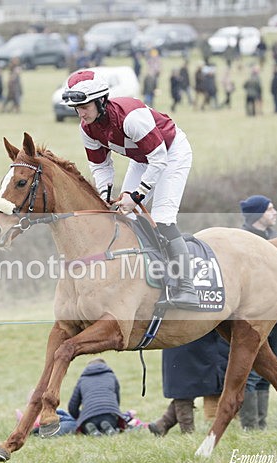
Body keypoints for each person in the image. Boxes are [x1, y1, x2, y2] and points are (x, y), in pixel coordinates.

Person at [61, 70, 201, 309]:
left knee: (163, 219)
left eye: (84, 106)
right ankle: (146, 273)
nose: (81, 114)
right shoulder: (87, 128)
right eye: (77, 108)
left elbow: (159, 159)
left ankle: (187, 288)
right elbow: (101, 166)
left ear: (101, 101)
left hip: (170, 153)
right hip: (142, 158)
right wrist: (105, 197)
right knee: (123, 217)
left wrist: (136, 196)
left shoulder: (131, 118)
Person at [238, 194, 277, 429]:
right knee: (250, 373)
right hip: (255, 318)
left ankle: (261, 424)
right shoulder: (242, 241)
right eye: (270, 209)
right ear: (258, 214)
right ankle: (250, 426)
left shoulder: (276, 237)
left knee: (270, 373)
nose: (275, 212)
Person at [148, 331, 229, 436]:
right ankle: (187, 433)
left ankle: (164, 423)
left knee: (187, 386)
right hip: (185, 339)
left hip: (191, 340)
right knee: (183, 388)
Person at [67, 358, 126, 436]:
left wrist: (80, 417)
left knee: (87, 423)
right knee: (109, 421)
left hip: (89, 416)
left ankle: (91, 428)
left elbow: (72, 407)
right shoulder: (111, 376)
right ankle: (107, 427)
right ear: (104, 366)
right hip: (109, 414)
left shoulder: (82, 380)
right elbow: (116, 401)